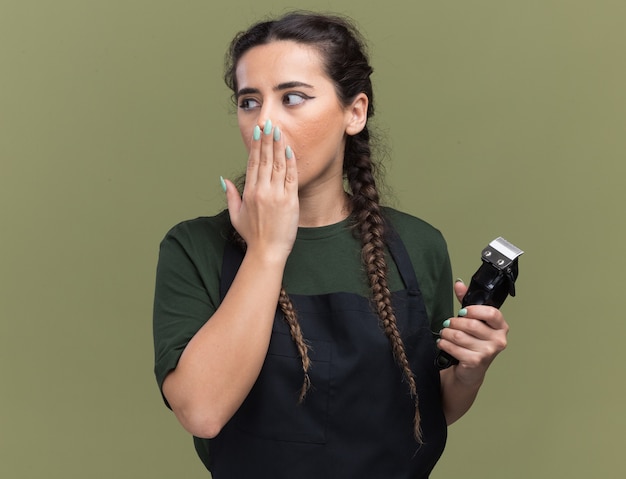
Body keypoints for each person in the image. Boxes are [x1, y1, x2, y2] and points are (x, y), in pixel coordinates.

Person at [153, 11, 509, 478]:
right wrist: (266, 249)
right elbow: (201, 412)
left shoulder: (418, 245)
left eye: (293, 98)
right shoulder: (193, 246)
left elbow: (430, 410)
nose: (265, 124)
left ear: (354, 112)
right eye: (249, 102)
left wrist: (468, 372)